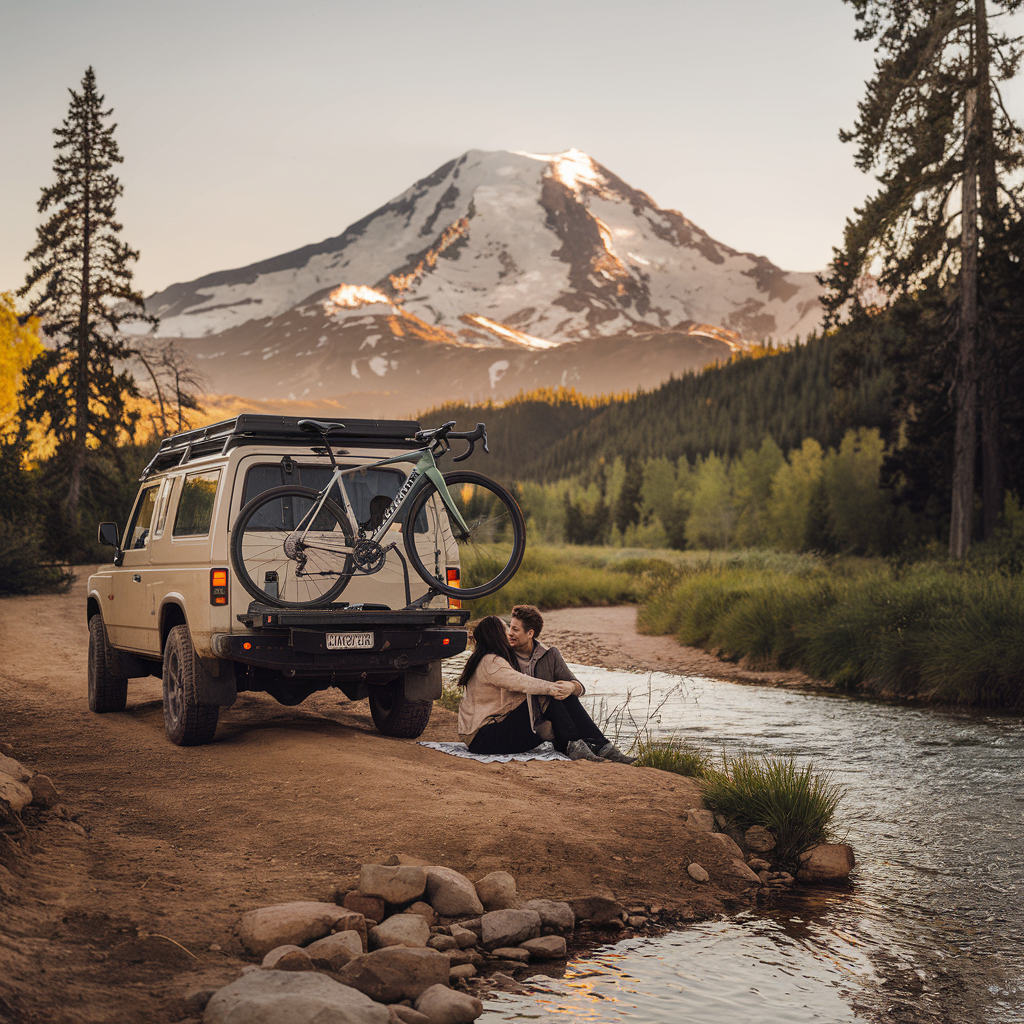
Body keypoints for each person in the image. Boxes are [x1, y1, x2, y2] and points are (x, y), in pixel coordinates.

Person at [507, 605, 635, 764]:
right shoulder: (505, 657)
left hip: (548, 722)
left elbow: (579, 687)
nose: (509, 633)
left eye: (515, 629)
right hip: (520, 720)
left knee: (565, 695)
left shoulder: (549, 655)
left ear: (530, 633)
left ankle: (600, 747)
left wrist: (571, 687)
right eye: (509, 628)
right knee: (553, 696)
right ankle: (587, 747)